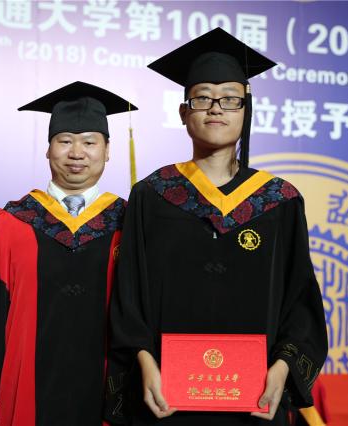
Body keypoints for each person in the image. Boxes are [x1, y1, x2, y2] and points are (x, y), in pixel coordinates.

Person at [106, 28, 328, 426]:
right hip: (166, 400)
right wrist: (145, 362)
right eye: (203, 98)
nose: (215, 109)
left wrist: (282, 370)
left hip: (255, 401)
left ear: (246, 110)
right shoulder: (152, 196)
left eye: (230, 99)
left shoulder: (279, 201)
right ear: (183, 112)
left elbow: (301, 304)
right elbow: (129, 296)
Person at [0, 81, 137, 426]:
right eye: (65, 141)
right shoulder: (11, 222)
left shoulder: (129, 223)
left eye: (89, 142)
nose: (77, 153)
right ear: (48, 149)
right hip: (23, 392)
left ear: (107, 150)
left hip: (107, 397)